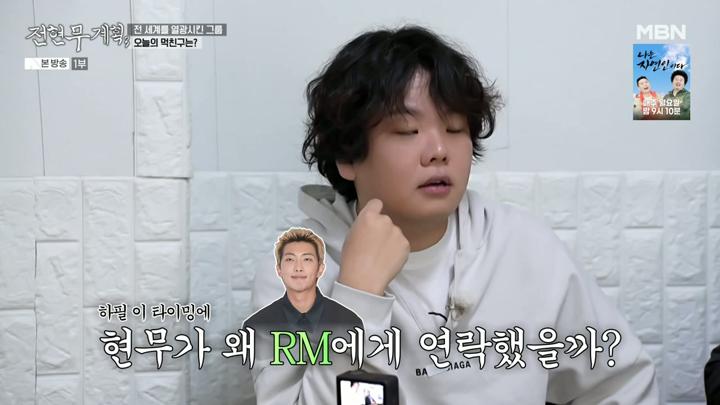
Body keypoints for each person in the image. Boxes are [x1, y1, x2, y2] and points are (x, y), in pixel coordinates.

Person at [251, 25, 660, 404]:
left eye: (454, 128)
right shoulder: (295, 274)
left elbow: (623, 383)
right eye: (407, 131)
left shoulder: (523, 248)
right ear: (347, 156)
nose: (438, 151)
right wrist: (358, 296)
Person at [243, 227, 363, 402]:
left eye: (307, 260)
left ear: (320, 269)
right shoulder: (260, 325)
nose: (298, 268)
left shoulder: (351, 317)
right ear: (279, 269)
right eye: (290, 260)